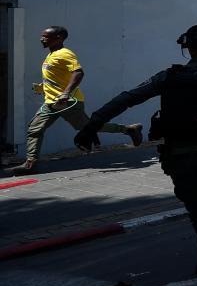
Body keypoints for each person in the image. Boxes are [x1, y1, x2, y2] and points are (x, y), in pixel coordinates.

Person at [73, 25, 197, 286]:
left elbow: (127, 98)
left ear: (188, 49)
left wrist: (92, 125)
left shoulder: (168, 76)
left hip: (176, 158)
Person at [6, 26, 143, 175]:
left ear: (59, 38)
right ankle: (30, 164)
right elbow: (57, 78)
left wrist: (66, 93)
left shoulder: (65, 53)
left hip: (68, 103)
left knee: (87, 127)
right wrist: (43, 87)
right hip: (51, 102)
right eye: (42, 36)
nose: (42, 39)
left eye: (46, 36)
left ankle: (129, 130)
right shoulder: (51, 55)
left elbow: (78, 73)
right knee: (34, 129)